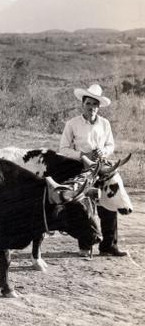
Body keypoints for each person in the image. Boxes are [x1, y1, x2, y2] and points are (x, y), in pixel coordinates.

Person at [59, 83, 126, 257]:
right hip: (80, 168)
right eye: (88, 104)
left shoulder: (104, 123)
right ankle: (86, 244)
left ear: (99, 107)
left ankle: (108, 245)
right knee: (84, 207)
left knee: (109, 203)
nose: (92, 108)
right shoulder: (72, 124)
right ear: (83, 104)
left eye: (95, 104)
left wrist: (103, 151)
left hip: (102, 167)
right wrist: (83, 155)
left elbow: (110, 144)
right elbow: (64, 149)